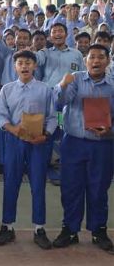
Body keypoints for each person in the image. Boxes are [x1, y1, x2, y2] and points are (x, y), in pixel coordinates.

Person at [52, 44, 114, 252]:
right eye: (92, 57)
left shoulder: (113, 86)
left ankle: (99, 231)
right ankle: (69, 229)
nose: (96, 61)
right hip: (74, 143)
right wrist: (61, 85)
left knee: (98, 189)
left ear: (108, 61)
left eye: (100, 57)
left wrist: (110, 132)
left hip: (102, 145)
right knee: (71, 188)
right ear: (85, 61)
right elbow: (60, 103)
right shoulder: (75, 79)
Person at [0, 50, 57, 250]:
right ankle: (7, 226)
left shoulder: (45, 89)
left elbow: (53, 116)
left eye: (28, 62)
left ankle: (39, 228)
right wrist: (13, 129)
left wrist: (45, 135)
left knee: (38, 185)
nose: (24, 66)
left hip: (38, 143)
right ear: (15, 67)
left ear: (35, 66)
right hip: (14, 141)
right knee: (11, 183)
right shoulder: (7, 89)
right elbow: (1, 115)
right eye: (20, 62)